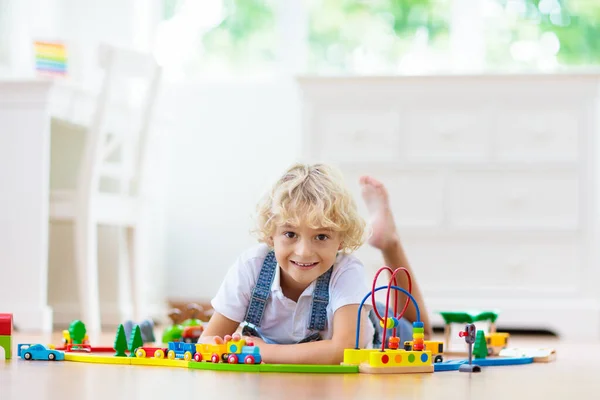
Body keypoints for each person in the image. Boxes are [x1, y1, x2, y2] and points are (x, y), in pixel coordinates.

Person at [200, 163, 430, 364]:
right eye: (290, 234)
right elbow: (207, 340)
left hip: (374, 326)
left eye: (321, 236)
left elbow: (343, 350)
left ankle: (389, 242)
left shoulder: (347, 270)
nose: (303, 252)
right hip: (339, 312)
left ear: (341, 240)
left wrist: (265, 351)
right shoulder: (252, 265)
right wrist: (223, 345)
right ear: (271, 234)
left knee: (422, 333)